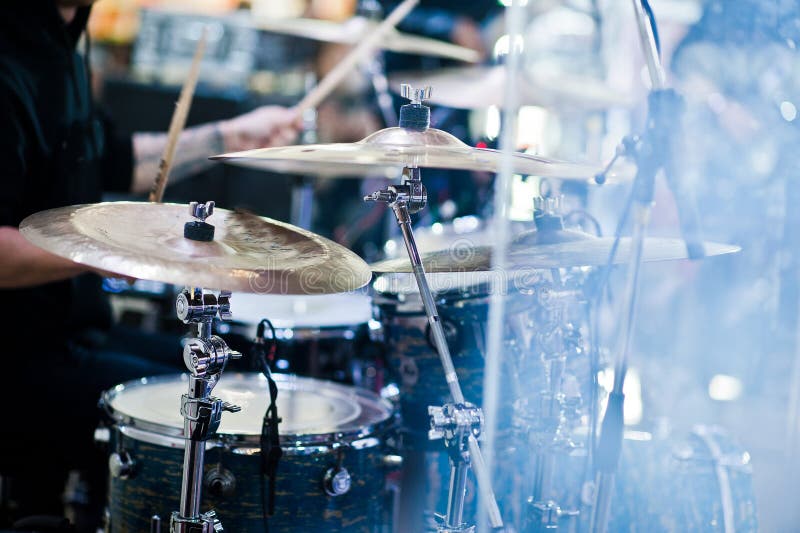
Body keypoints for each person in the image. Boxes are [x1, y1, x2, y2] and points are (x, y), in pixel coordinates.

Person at [0, 1, 302, 529]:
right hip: (18, 361)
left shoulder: (66, 41)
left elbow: (114, 161)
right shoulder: (6, 60)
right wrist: (110, 250)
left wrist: (231, 138)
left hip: (81, 332)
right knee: (203, 417)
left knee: (244, 378)